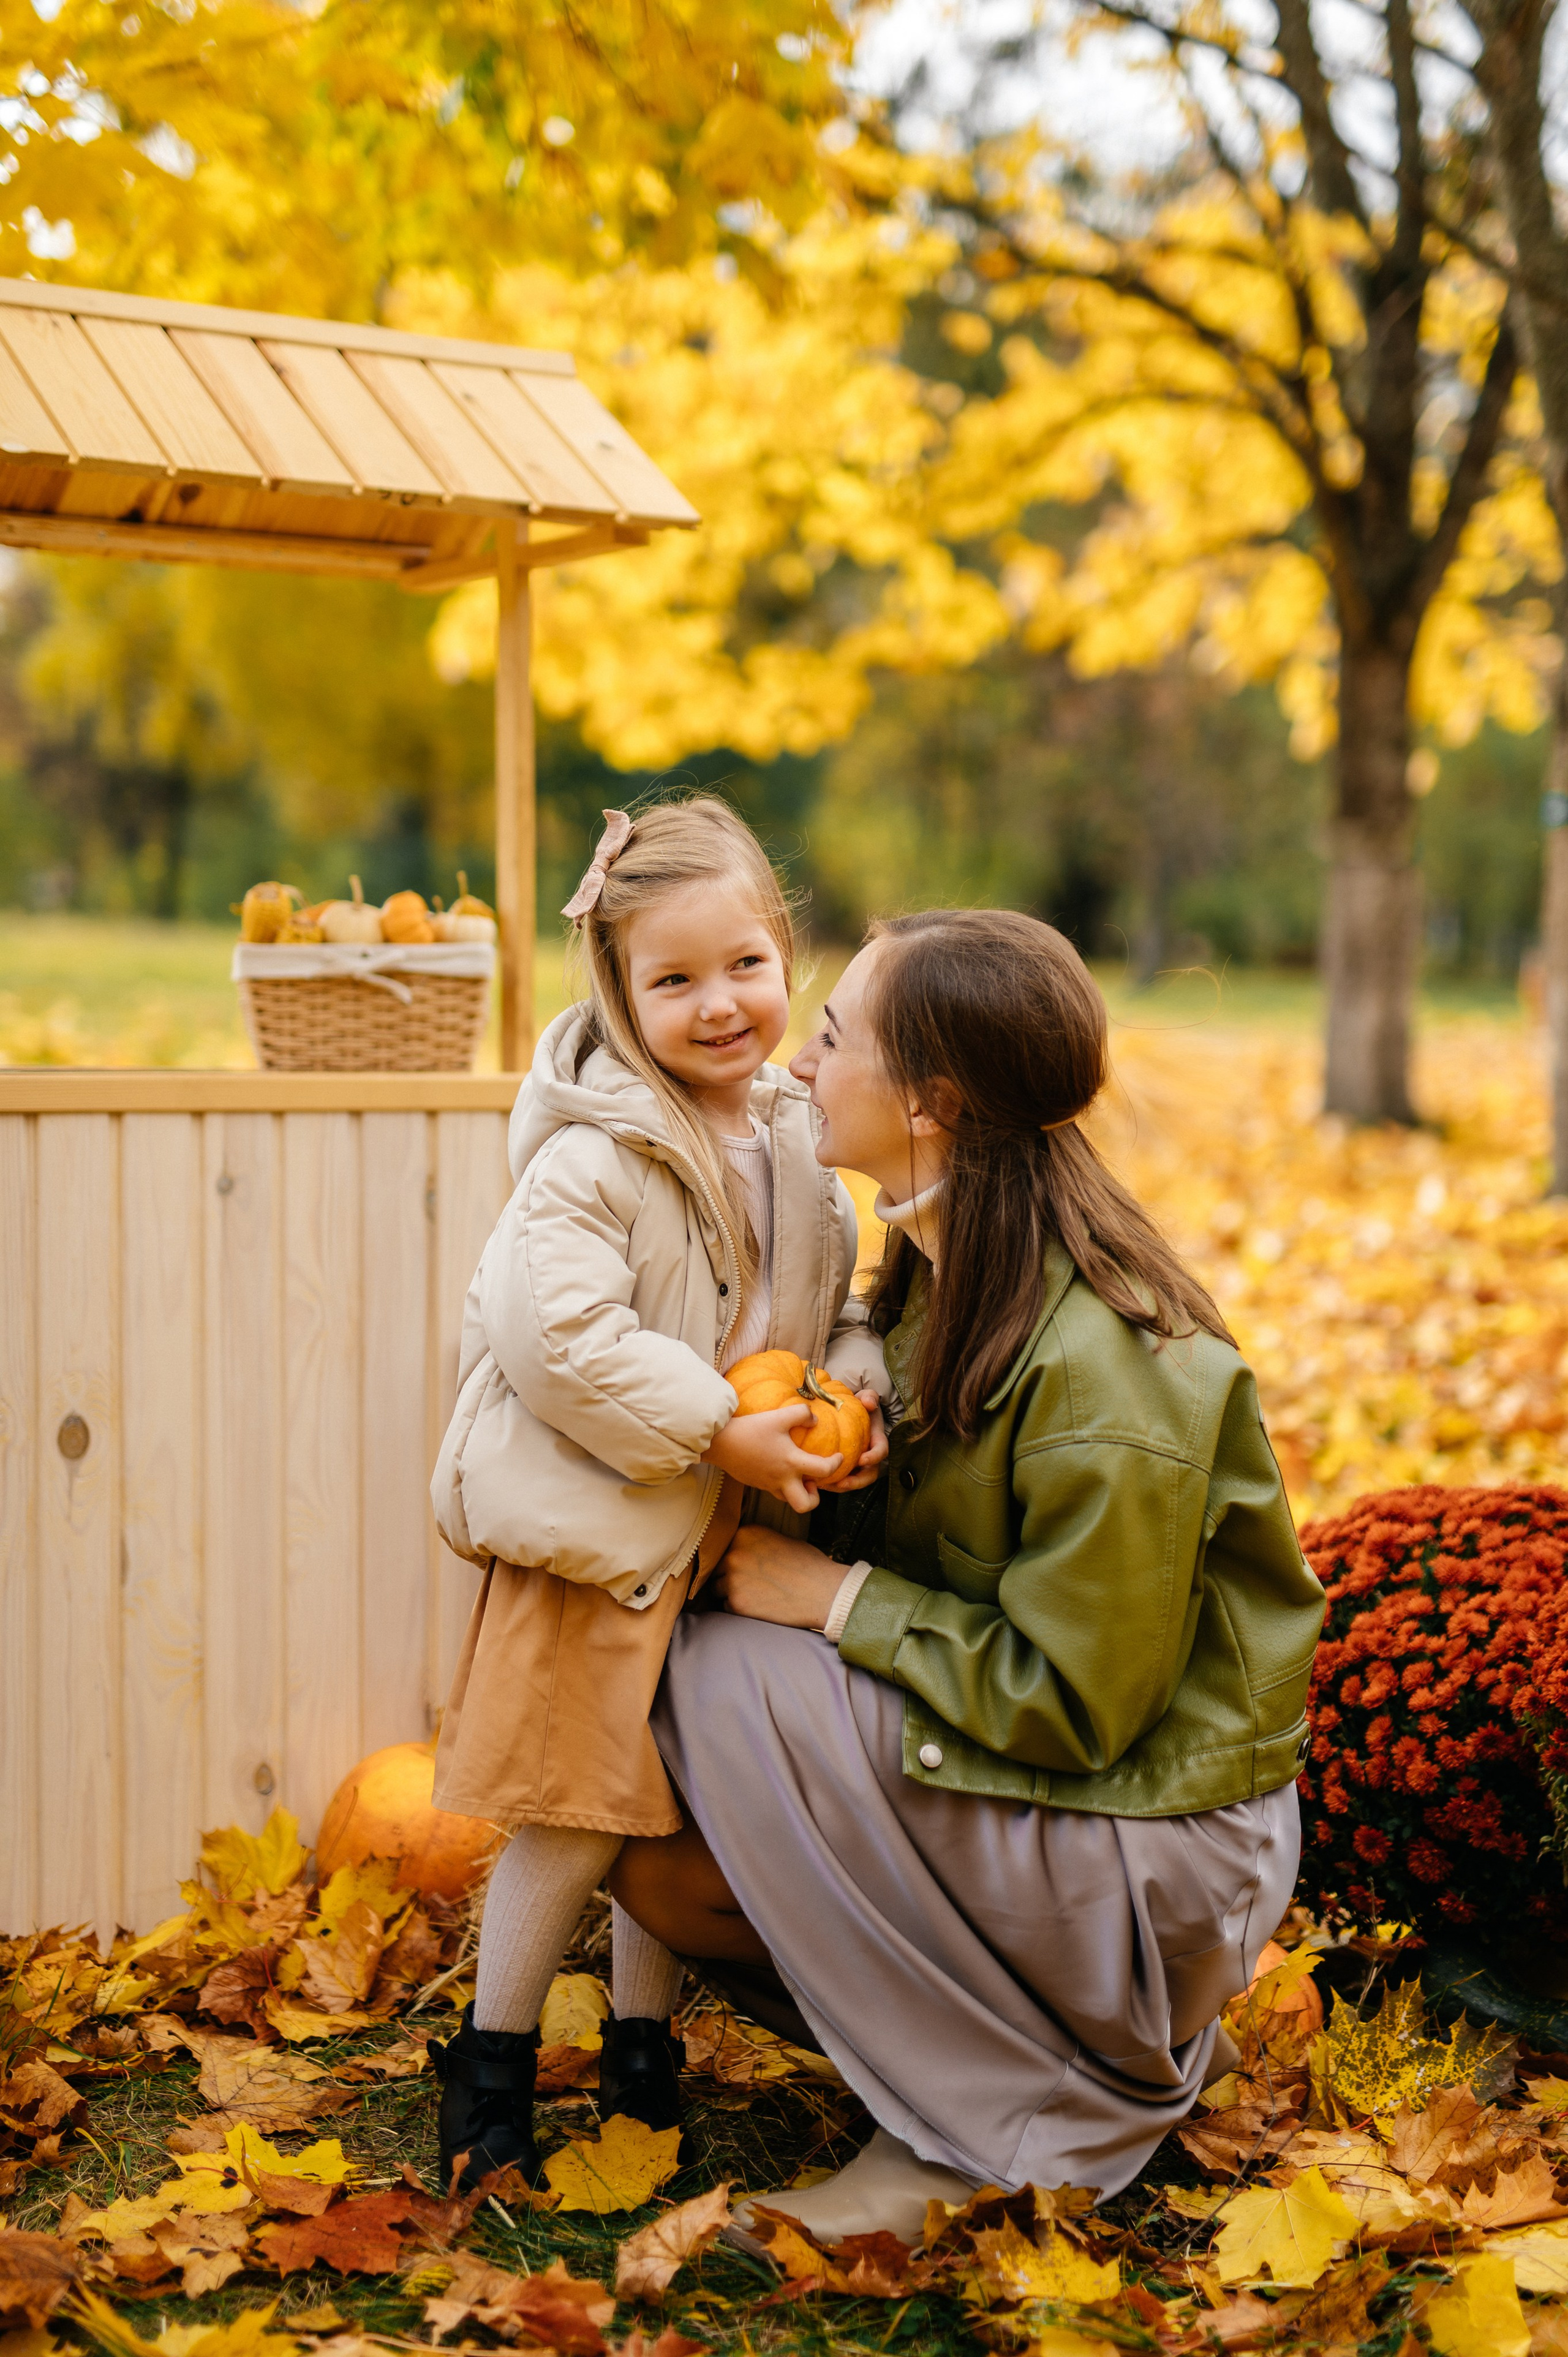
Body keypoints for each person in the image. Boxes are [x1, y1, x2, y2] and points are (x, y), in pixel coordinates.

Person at [610, 908, 1327, 2236]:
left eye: (831, 1039)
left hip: (1157, 1839)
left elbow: (1075, 1702)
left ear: (931, 1099)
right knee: (667, 1870)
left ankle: (988, 2124)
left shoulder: (1106, 1363)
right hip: (1089, 1793)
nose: (797, 1063)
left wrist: (825, 1594)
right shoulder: (942, 1274)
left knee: (712, 1668)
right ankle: (1095, 2062)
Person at [426, 800, 889, 2190]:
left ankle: (644, 2044)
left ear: (784, 951)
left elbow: (834, 1304)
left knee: (681, 1800)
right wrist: (712, 1428)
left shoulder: (802, 1140)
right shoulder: (594, 1154)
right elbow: (557, 1338)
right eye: (671, 979)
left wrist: (851, 1390)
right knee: (577, 1806)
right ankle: (490, 2059)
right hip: (604, 1528)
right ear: (620, 996)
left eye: (742, 964)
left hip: (727, 1524)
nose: (718, 1004)